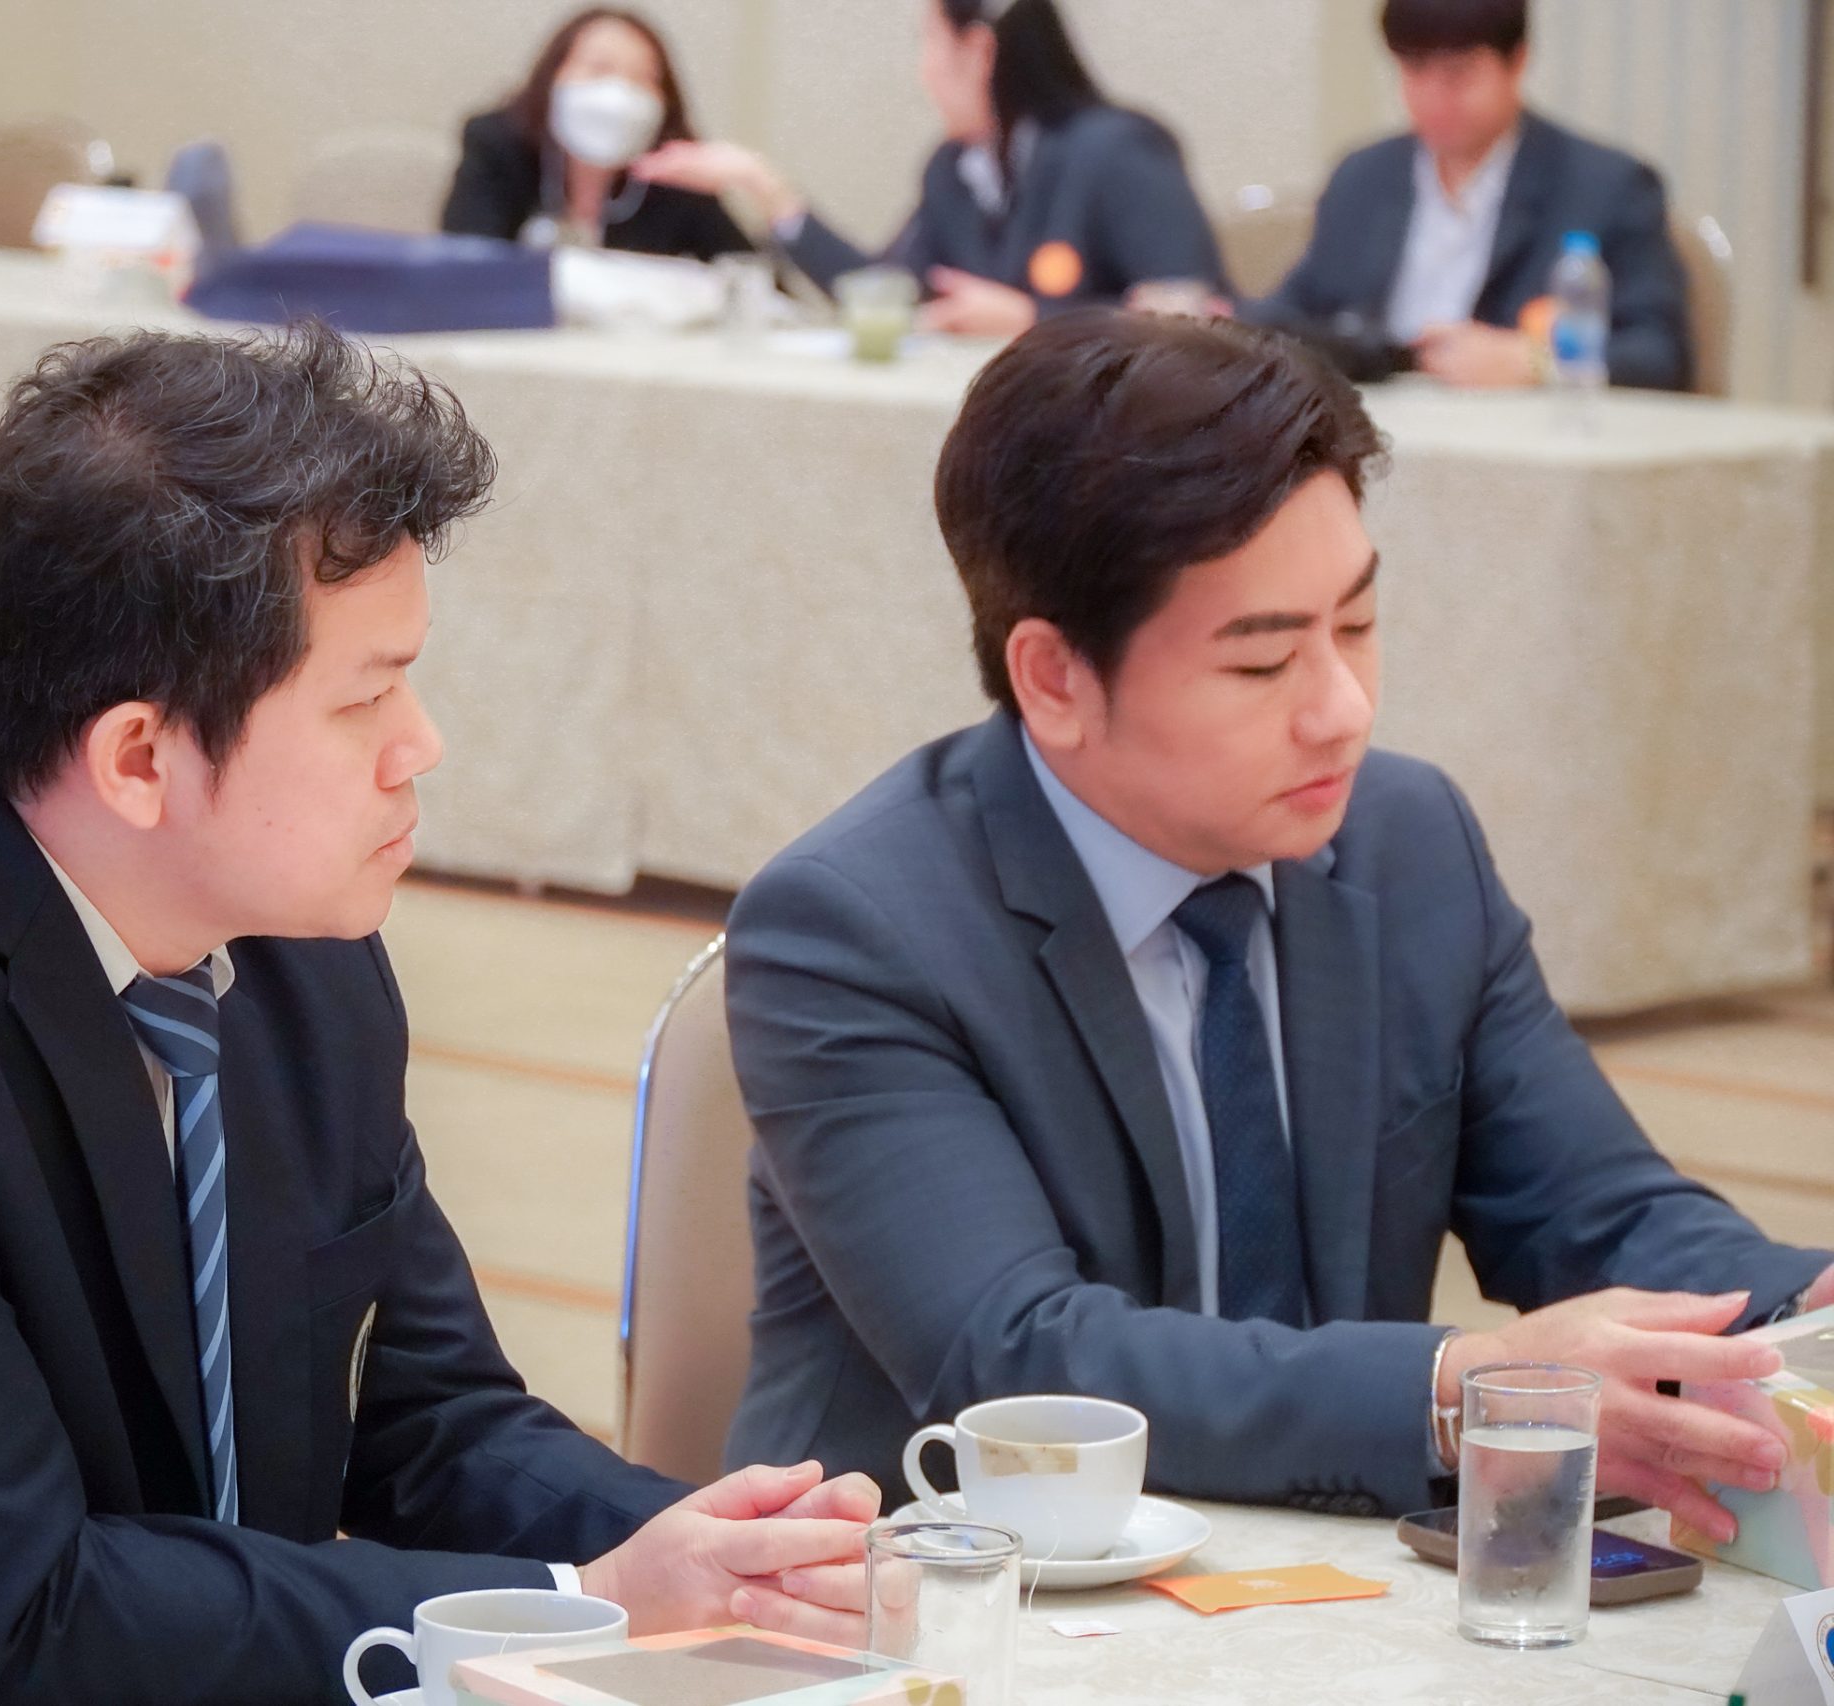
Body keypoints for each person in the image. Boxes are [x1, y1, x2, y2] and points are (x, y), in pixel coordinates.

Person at [0, 321, 877, 1706]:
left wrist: (720, 1555)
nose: (421, 743)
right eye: (366, 696)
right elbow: (16, 1613)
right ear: (139, 756)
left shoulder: (300, 955)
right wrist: (581, 1605)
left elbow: (431, 1417)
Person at [720, 310, 1833, 1535]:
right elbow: (1019, 1359)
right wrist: (1453, 1387)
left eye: (1355, 626)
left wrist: (1799, 1308)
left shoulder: (1406, 843)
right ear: (1053, 677)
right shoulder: (855, 929)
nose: (1342, 709)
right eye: (1262, 663)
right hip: (953, 1583)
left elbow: (1601, 1213)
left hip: (1333, 1576)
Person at [631, 0, 1223, 335]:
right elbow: (884, 294)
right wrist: (765, 187)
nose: (924, 72)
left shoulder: (1116, 149)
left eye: (929, 44)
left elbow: (1197, 317)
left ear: (979, 51)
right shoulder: (953, 170)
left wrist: (1035, 318)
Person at [1246, 0, 1691, 391]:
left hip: (1516, 435)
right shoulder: (1363, 176)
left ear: (1517, 62)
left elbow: (1660, 355)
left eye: (1458, 75)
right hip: (1371, 426)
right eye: (1414, 71)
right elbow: (1292, 313)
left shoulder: (1607, 186)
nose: (1433, 97)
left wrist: (1533, 362)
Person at [440, 6, 751, 262]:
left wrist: (757, 184)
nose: (619, 93)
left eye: (643, 77)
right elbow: (466, 266)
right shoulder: (497, 143)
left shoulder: (675, 178)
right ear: (553, 76)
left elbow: (756, 280)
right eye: (599, 68)